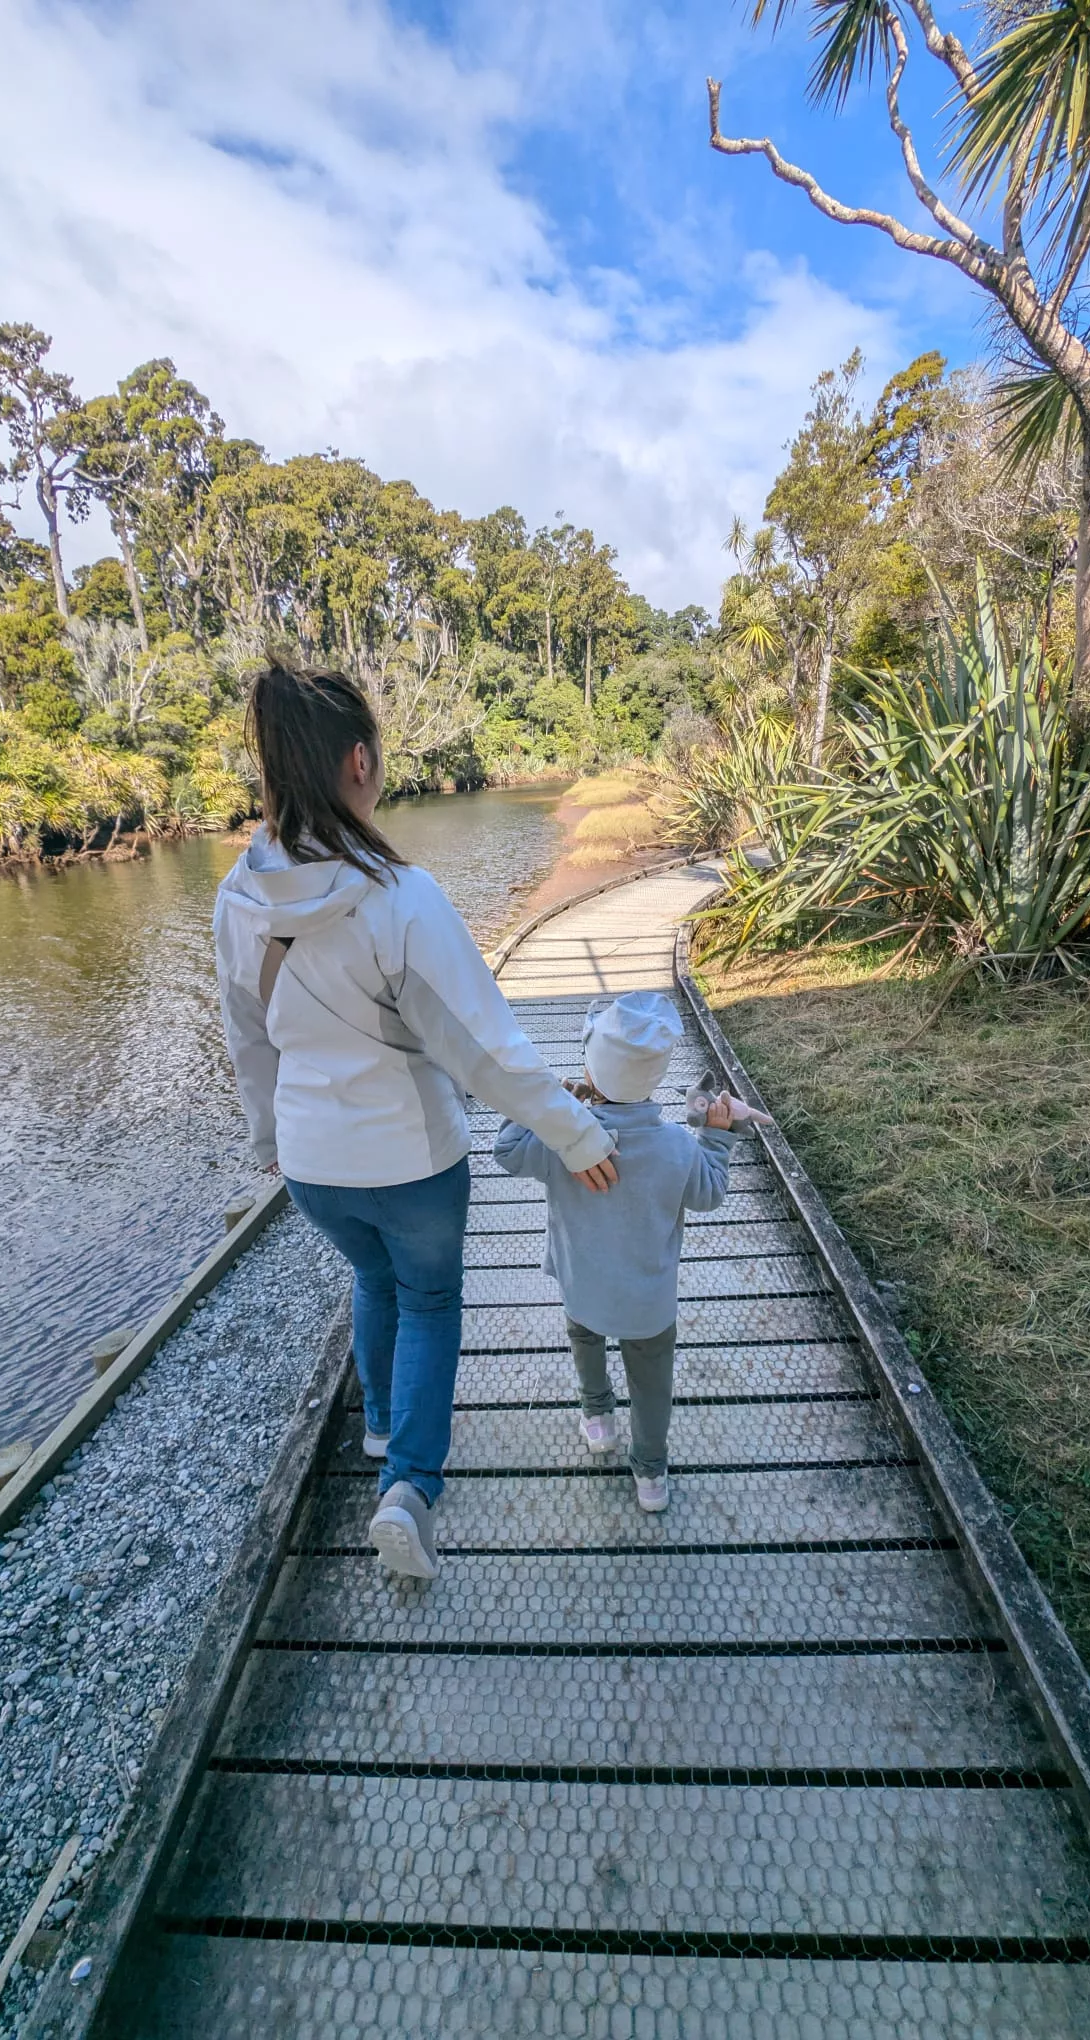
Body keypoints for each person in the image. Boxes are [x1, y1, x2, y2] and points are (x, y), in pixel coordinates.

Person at [213, 654, 618, 1582]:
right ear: (360, 760)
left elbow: (248, 1040)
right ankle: (409, 1490)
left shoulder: (235, 900)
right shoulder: (399, 897)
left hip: (312, 1167)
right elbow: (484, 1050)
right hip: (413, 1161)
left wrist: (269, 1139)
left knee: (372, 1277)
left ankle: (384, 1426)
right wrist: (575, 1133)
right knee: (429, 1301)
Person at [494, 991, 771, 1511]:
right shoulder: (676, 1146)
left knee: (585, 1340)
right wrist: (717, 1138)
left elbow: (505, 1150)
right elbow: (709, 1193)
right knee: (651, 1384)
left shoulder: (563, 1137)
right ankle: (650, 1475)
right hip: (648, 1302)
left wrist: (548, 1105)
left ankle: (598, 1419)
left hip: (583, 1286)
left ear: (590, 1071)